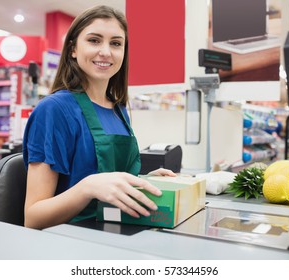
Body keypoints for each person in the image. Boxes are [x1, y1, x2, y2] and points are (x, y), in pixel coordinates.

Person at [22, 5, 175, 230]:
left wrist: (143, 182)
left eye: (116, 43)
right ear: (73, 49)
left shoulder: (119, 109)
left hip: (116, 232)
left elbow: (110, 182)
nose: (106, 51)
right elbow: (33, 218)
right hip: (71, 243)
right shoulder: (54, 110)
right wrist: (87, 188)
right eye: (94, 40)